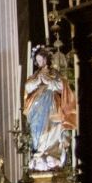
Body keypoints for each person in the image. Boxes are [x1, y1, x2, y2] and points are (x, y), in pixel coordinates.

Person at [24, 46, 77, 174]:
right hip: (37, 107)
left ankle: (51, 152)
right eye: (38, 61)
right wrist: (38, 81)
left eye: (42, 60)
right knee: (37, 130)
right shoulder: (35, 76)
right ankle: (39, 152)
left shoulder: (54, 73)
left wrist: (49, 81)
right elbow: (27, 87)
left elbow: (62, 86)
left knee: (53, 127)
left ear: (46, 59)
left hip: (52, 106)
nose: (40, 63)